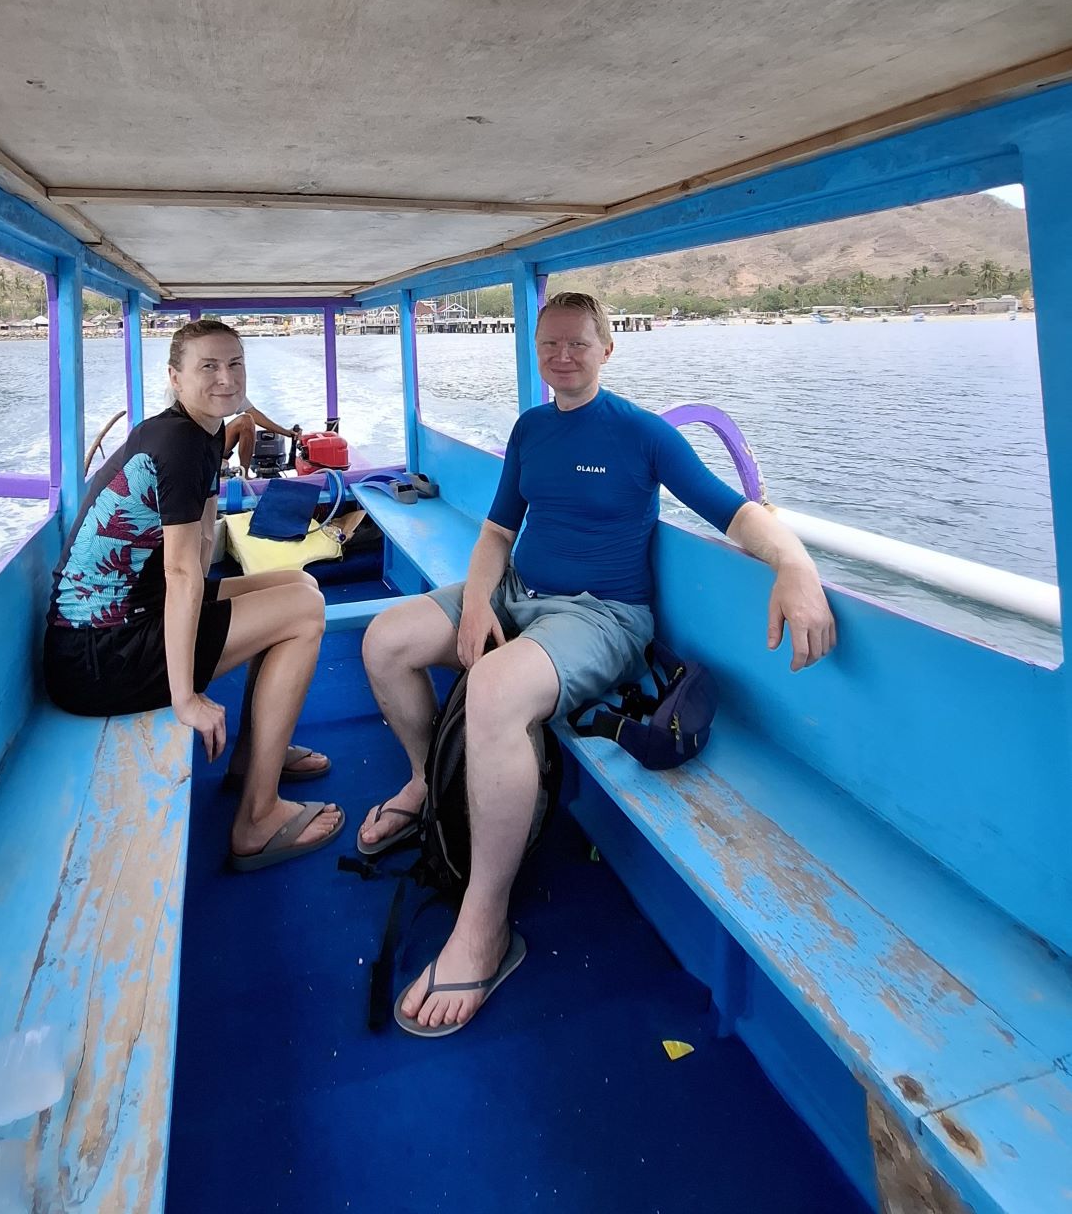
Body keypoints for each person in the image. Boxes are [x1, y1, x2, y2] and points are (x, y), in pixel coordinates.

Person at [358, 290, 835, 1033]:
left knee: (491, 691)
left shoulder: (643, 435)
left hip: (603, 615)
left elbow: (733, 512)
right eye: (550, 344)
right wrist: (482, 601)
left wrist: (795, 567)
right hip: (518, 589)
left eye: (578, 343)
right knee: (384, 640)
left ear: (607, 350)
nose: (562, 356)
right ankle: (426, 780)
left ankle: (484, 924)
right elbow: (492, 534)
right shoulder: (532, 428)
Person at [43, 318, 345, 870]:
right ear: (175, 379)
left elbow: (199, 555)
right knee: (305, 613)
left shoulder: (201, 432)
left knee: (299, 584)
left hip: (127, 622)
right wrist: (185, 699)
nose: (225, 378)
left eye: (235, 363)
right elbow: (183, 576)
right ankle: (257, 818)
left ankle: (254, 755)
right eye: (208, 366)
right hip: (101, 655)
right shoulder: (179, 444)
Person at [222, 401, 302, 477]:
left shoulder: (235, 390)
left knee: (246, 420)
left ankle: (244, 475)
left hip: (218, 443)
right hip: (210, 446)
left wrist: (287, 433)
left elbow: (253, 413)